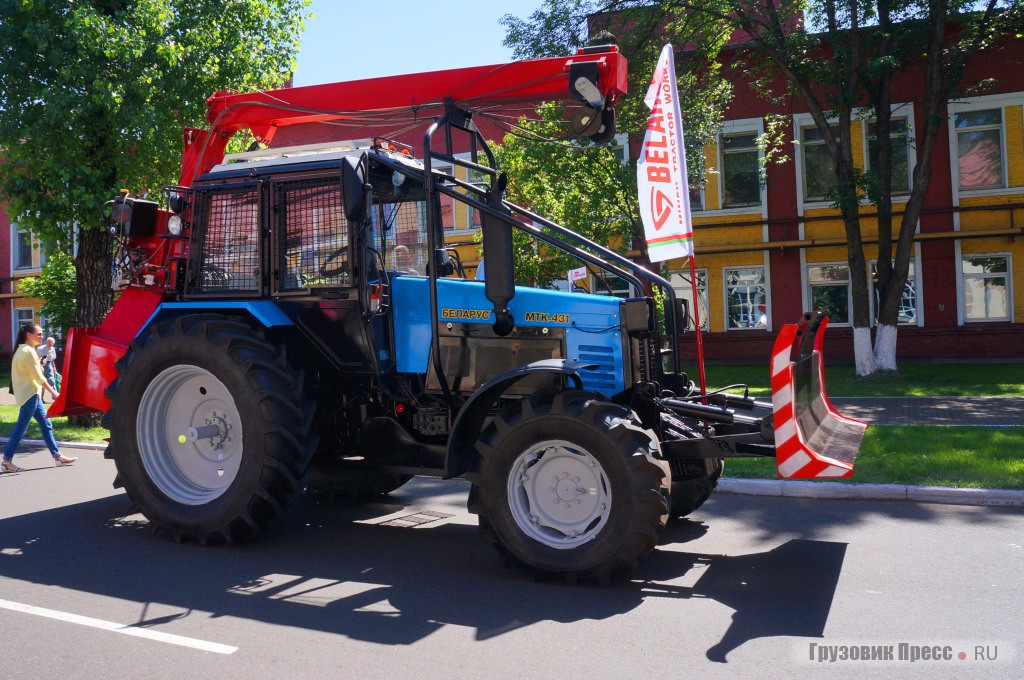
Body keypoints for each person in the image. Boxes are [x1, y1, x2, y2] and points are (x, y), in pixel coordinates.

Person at [1, 323, 77, 473]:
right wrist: (55, 393)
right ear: (29, 335)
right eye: (39, 334)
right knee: (20, 429)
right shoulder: (28, 351)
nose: (42, 336)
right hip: (30, 394)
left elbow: (30, 373)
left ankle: (57, 456)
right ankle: (6, 461)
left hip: (30, 394)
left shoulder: (22, 350)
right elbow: (39, 377)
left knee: (46, 424)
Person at [36, 335, 58, 400]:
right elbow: (36, 359)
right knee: (41, 381)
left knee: (52, 380)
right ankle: (41, 398)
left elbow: (52, 359)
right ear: (46, 342)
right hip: (40, 365)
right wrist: (40, 366)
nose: (50, 344)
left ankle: (55, 397)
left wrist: (54, 368)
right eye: (49, 342)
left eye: (51, 342)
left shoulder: (53, 349)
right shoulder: (40, 349)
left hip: (49, 365)